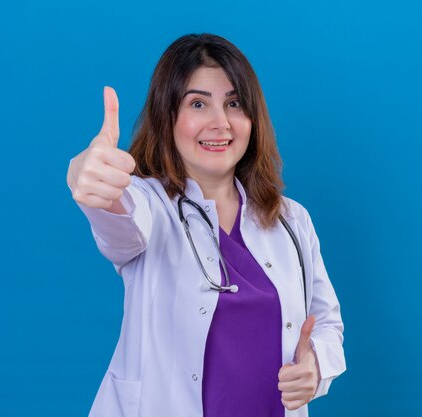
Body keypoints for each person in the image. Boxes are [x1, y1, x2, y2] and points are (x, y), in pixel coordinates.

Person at [66, 33, 346, 417]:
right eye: (198, 103)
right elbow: (119, 218)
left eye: (234, 103)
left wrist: (317, 366)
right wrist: (87, 178)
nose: (220, 123)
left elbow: (326, 322)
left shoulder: (291, 219)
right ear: (168, 117)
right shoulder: (150, 205)